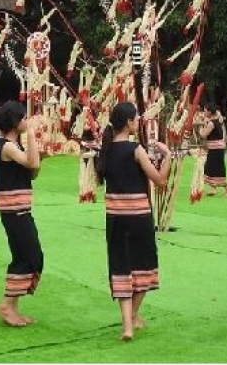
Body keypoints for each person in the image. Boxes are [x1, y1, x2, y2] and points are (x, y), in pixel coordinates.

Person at [94, 101, 172, 341]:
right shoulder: (135, 149)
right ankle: (133, 318)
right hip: (139, 217)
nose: (138, 122)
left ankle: (129, 324)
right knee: (144, 266)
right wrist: (167, 155)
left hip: (115, 218)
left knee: (121, 267)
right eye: (136, 118)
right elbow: (160, 180)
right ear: (128, 123)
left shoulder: (105, 151)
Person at [0, 100, 43, 327]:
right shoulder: (7, 147)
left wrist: (34, 149)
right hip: (14, 210)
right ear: (15, 122)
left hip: (20, 208)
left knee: (28, 256)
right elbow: (32, 162)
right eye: (23, 118)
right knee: (27, 256)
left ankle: (12, 307)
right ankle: (6, 305)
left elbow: (33, 171)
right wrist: (31, 134)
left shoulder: (15, 145)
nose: (26, 121)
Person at [197, 103, 227, 197]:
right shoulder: (217, 120)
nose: (204, 112)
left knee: (217, 169)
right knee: (210, 168)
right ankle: (213, 188)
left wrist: (199, 127)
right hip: (215, 148)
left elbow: (203, 135)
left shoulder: (212, 123)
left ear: (209, 112)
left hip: (216, 149)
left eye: (205, 111)